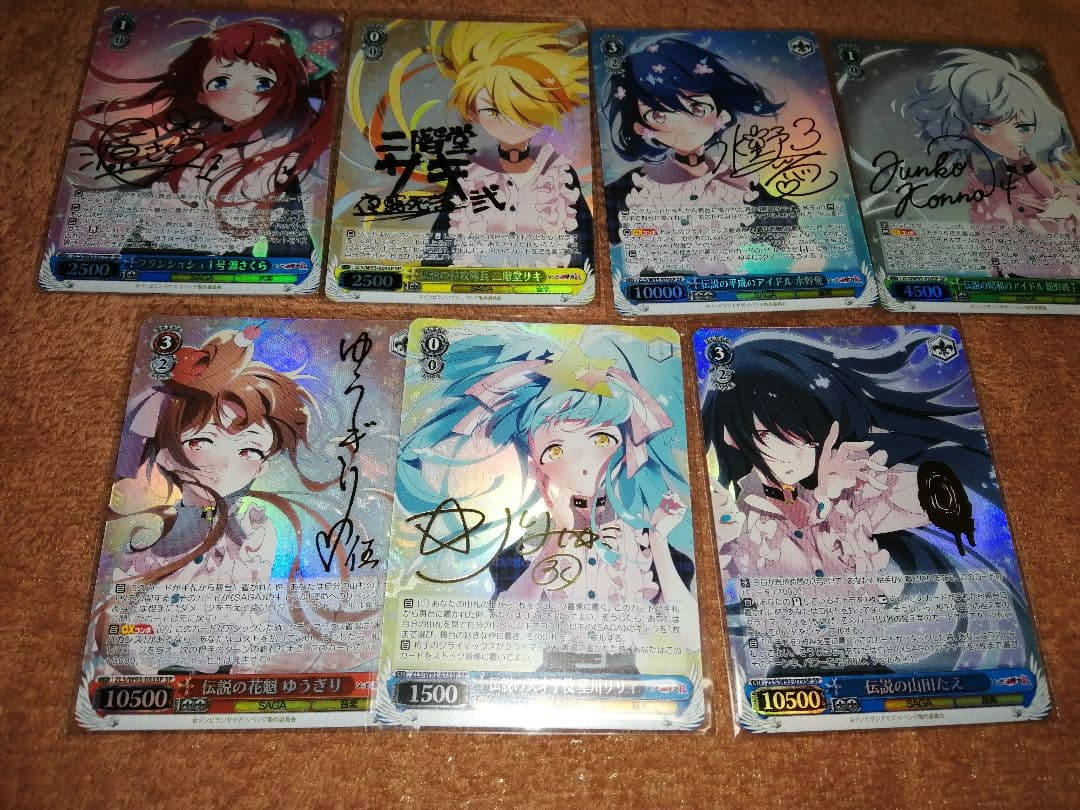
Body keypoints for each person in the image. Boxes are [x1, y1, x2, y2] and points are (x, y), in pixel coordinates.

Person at [396, 326, 694, 607]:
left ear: (630, 447)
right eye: (555, 450)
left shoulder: (648, 532)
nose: (583, 464)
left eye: (601, 439)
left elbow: (690, 633)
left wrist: (658, 541)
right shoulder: (524, 540)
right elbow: (507, 625)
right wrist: (559, 534)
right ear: (534, 466)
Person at [74, 19, 336, 257]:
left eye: (262, 84)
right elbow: (150, 226)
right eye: (220, 82)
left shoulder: (277, 158)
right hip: (165, 247)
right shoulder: (192, 147)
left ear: (286, 90)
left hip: (234, 262)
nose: (240, 96)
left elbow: (292, 243)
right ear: (200, 93)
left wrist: (287, 269)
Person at [900, 48, 1080, 266]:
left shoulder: (1032, 165)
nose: (1009, 138)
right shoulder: (973, 174)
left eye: (1023, 127)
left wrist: (1063, 207)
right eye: (986, 127)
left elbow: (1046, 188)